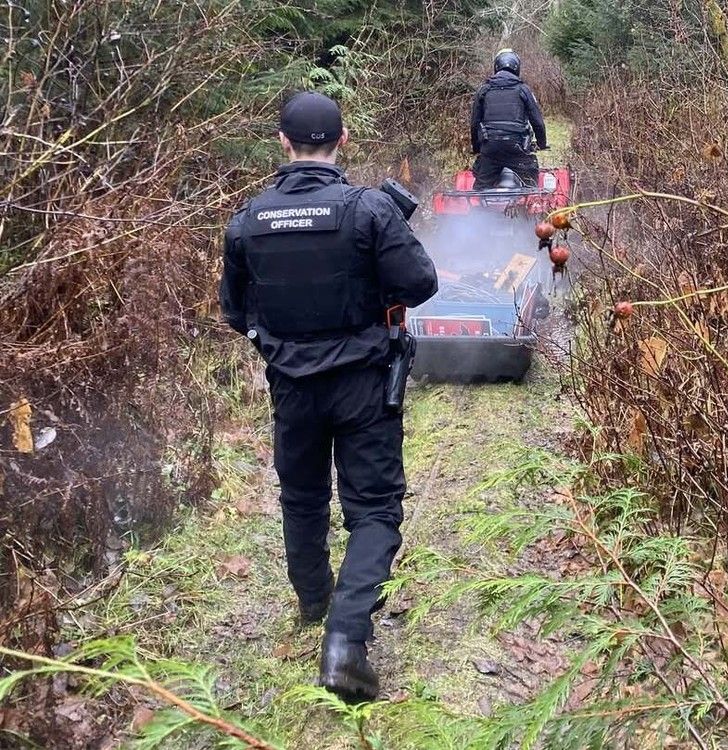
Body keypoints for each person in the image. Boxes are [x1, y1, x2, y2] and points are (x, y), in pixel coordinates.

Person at [219, 90, 438, 702]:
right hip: (363, 383)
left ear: (283, 143)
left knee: (304, 495)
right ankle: (344, 640)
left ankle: (313, 600)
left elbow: (235, 311)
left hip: (292, 386)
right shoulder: (367, 208)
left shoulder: (248, 218)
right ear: (343, 141)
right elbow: (421, 281)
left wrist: (287, 346)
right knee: (374, 509)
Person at [470, 49, 548, 189]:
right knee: (530, 186)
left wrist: (477, 148)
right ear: (517, 67)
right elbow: (537, 122)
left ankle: (478, 209)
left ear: (496, 66)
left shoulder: (484, 89)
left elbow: (474, 123)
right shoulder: (523, 89)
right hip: (516, 148)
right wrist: (542, 144)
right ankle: (530, 209)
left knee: (480, 189)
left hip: (490, 149)